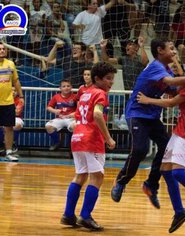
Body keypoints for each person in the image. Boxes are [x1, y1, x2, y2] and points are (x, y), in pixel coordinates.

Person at [110, 38, 185, 209]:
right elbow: (170, 83)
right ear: (160, 51)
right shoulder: (156, 66)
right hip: (137, 113)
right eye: (171, 48)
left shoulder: (167, 70)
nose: (175, 52)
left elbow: (173, 90)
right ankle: (121, 181)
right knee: (141, 149)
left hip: (152, 115)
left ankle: (151, 185)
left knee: (165, 147)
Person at [136, 47, 185, 233]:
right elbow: (179, 85)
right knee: (165, 170)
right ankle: (179, 211)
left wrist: (148, 100)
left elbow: (172, 102)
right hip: (181, 130)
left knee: (178, 173)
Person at [60, 62, 117, 230]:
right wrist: (108, 138)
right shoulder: (100, 93)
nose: (111, 83)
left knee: (80, 175)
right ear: (97, 79)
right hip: (91, 139)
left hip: (77, 137)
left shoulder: (85, 93)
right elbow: (98, 114)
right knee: (97, 177)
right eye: (108, 79)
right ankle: (85, 215)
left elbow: (79, 115)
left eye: (112, 79)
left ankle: (69, 215)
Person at [45, 79, 77, 151]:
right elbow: (48, 107)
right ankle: (57, 143)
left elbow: (79, 109)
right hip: (60, 119)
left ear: (71, 87)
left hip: (71, 119)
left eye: (68, 86)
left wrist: (72, 115)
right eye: (64, 86)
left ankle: (73, 146)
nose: (66, 88)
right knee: (48, 126)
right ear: (60, 88)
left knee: (76, 127)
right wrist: (55, 111)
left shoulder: (75, 97)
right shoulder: (56, 96)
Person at [0, 88, 24, 153]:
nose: (13, 92)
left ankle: (12, 143)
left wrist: (5, 111)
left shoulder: (20, 100)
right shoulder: (3, 99)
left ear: (17, 92)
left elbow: (17, 112)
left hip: (17, 118)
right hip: (3, 117)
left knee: (16, 125)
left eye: (15, 91)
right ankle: (2, 142)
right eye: (11, 90)